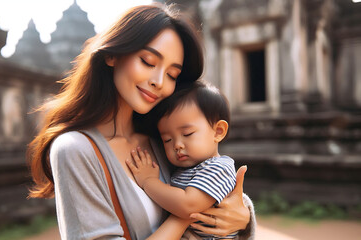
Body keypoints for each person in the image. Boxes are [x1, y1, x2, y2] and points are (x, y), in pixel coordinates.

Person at [27, 3, 255, 240]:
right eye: (147, 61)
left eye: (172, 75)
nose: (159, 82)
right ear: (113, 55)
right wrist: (187, 214)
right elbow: (192, 203)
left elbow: (208, 186)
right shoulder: (75, 149)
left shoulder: (164, 138)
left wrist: (244, 216)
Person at [127, 81, 240, 239]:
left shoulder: (219, 168)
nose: (177, 145)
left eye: (187, 134)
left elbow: (188, 205)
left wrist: (148, 181)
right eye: (167, 140)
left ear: (218, 132)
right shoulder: (184, 169)